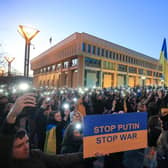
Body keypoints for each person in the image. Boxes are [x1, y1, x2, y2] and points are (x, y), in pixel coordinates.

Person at [0, 93, 87, 168]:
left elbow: (61, 159)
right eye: (19, 146)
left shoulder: (36, 155)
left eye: (27, 142)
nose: (26, 147)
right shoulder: (6, 162)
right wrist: (12, 115)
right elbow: (5, 136)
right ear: (8, 148)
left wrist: (88, 154)